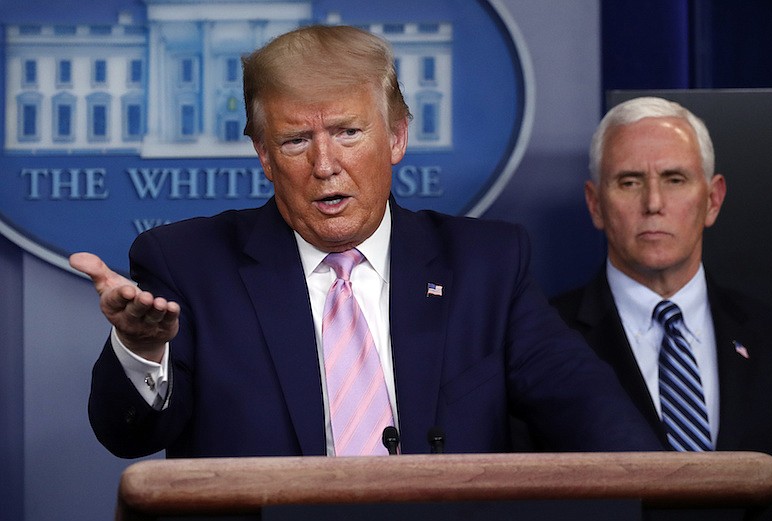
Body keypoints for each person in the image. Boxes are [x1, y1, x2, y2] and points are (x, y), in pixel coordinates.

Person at [70, 25, 660, 460]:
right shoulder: (190, 265)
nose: (326, 165)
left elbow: (593, 416)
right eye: (297, 140)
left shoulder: (486, 267)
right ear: (264, 157)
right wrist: (142, 352)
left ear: (398, 137)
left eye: (349, 133)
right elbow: (128, 437)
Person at [551, 96, 772, 463]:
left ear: (713, 200)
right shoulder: (544, 340)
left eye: (675, 180)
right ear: (595, 204)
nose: (654, 202)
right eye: (629, 182)